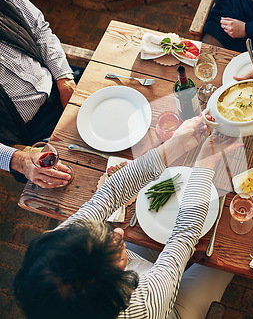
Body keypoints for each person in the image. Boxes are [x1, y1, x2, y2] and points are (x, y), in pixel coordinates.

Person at [14, 116, 241, 319]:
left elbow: (110, 192)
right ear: (116, 292)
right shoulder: (142, 305)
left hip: (140, 276)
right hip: (166, 309)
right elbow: (184, 233)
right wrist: (205, 164)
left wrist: (177, 144)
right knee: (224, 262)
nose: (119, 232)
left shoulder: (58, 250)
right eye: (112, 250)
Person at [0, 0, 76, 187]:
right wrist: (18, 159)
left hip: (57, 83)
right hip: (27, 136)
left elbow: (39, 28)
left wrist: (64, 78)